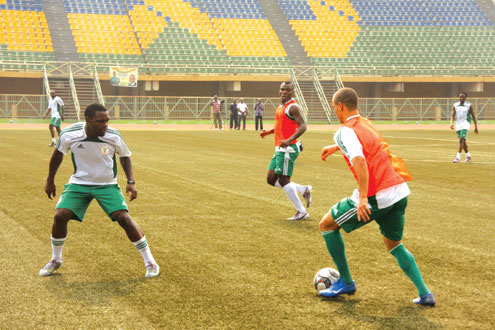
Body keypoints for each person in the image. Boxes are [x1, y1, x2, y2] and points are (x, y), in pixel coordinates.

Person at [318, 88, 435, 306]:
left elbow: (360, 160)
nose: (335, 111)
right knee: (395, 245)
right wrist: (336, 147)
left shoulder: (344, 131)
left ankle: (346, 282)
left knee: (327, 225)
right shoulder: (366, 122)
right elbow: (371, 145)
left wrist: (363, 198)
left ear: (340, 106)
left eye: (334, 107)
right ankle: (425, 293)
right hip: (399, 191)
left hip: (377, 195)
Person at [39, 103, 159, 278]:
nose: (105, 125)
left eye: (107, 121)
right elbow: (58, 154)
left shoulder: (113, 137)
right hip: (79, 183)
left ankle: (150, 262)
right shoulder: (69, 134)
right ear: (88, 120)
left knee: (124, 218)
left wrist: (131, 181)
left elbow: (125, 156)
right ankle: (55, 259)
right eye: (100, 121)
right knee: (59, 215)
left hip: (107, 184)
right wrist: (50, 180)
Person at [260, 81, 312, 220]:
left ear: (292, 92)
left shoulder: (293, 107)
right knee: (271, 179)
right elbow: (281, 126)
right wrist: (269, 132)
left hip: (288, 148)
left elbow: (303, 126)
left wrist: (289, 139)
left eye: (287, 90)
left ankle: (301, 212)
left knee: (284, 180)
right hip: (279, 147)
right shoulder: (281, 106)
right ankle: (303, 189)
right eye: (282, 89)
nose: (284, 92)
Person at [450, 92, 478, 163]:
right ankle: (468, 156)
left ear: (466, 98)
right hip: (458, 125)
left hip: (466, 124)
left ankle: (457, 157)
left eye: (463, 97)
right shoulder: (455, 105)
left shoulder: (469, 105)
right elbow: (453, 115)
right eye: (460, 97)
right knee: (463, 142)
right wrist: (451, 123)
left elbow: (473, 116)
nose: (461, 98)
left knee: (461, 140)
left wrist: (476, 127)